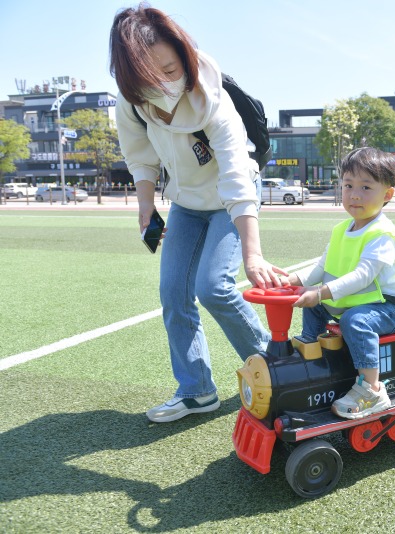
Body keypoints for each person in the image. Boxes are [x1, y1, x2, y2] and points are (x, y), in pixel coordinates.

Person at [109, 5, 286, 423]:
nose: (169, 82)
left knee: (214, 287)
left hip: (229, 198)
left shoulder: (214, 100)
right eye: (155, 77)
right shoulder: (131, 102)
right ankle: (196, 390)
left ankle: (276, 372)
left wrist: (252, 253)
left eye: (173, 68)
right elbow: (140, 159)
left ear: (185, 56)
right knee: (173, 292)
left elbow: (238, 182)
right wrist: (146, 207)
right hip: (186, 203)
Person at [280, 147, 395, 420]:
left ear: (387, 195)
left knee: (355, 321)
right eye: (348, 185)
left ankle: (372, 388)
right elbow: (322, 267)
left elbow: (363, 275)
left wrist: (320, 293)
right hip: (356, 299)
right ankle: (309, 351)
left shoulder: (382, 233)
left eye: (366, 187)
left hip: (389, 306)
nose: (355, 194)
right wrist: (292, 281)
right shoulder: (341, 230)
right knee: (315, 307)